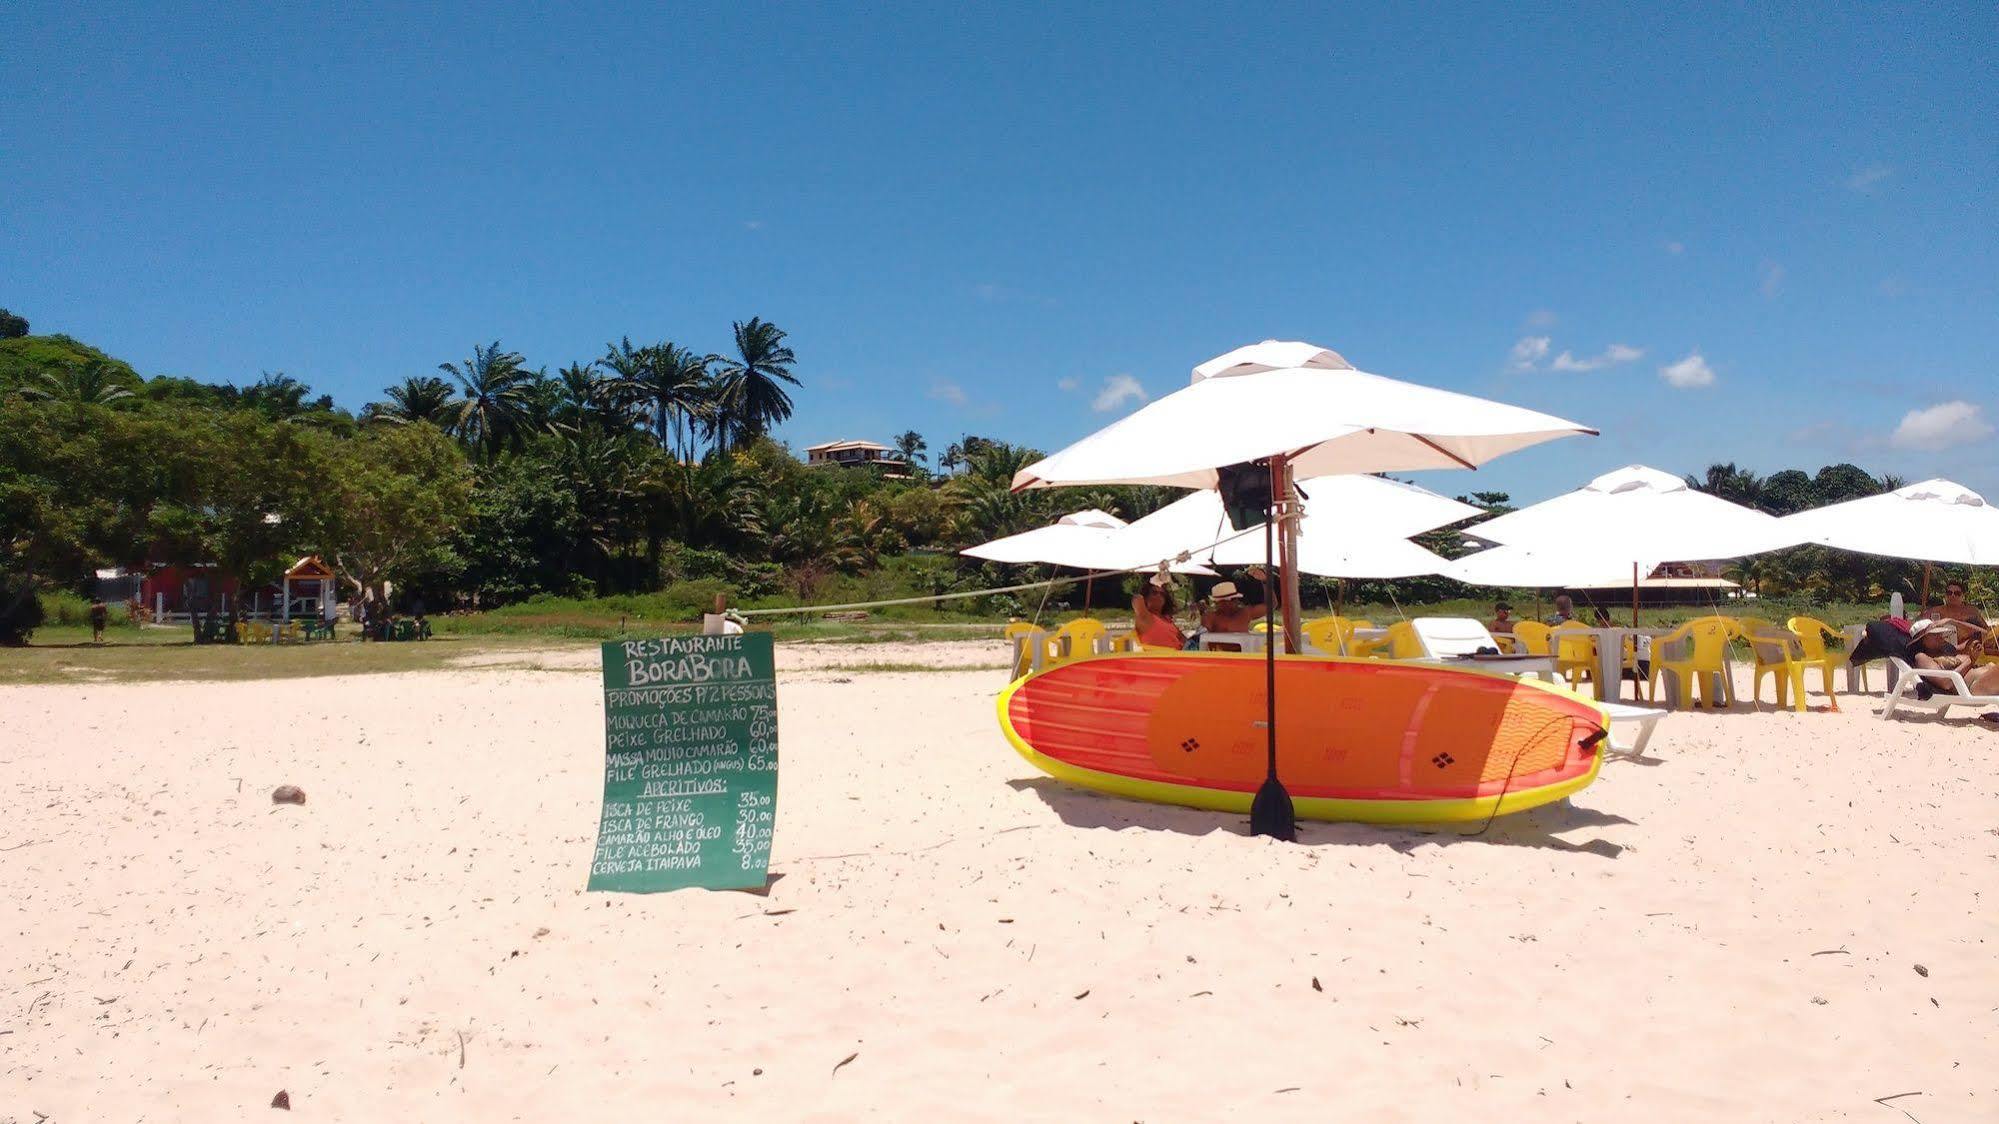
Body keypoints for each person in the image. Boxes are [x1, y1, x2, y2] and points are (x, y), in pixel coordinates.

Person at [1909, 620, 1999, 696]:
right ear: (1922, 639)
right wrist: (1970, 661)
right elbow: (1946, 683)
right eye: (1934, 634)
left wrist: (1952, 621)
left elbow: (1983, 632)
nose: (1940, 636)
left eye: (1940, 633)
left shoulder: (1945, 650)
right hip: (1972, 686)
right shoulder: (1921, 658)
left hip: (1984, 678)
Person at [1131, 580, 1185, 650]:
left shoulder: (1167, 620)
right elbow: (1137, 599)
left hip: (1176, 657)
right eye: (1154, 593)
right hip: (1156, 659)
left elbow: (1184, 640)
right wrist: (1155, 580)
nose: (1159, 596)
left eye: (1162, 594)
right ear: (1146, 597)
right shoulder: (1145, 617)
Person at [1200, 580, 1270, 634]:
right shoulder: (1211, 617)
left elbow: (1271, 606)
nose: (1228, 603)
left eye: (1232, 599)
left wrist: (1265, 581)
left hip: (1244, 652)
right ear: (1216, 603)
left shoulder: (1246, 613)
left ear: (1237, 600)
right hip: (1219, 652)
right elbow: (1203, 637)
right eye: (1223, 601)